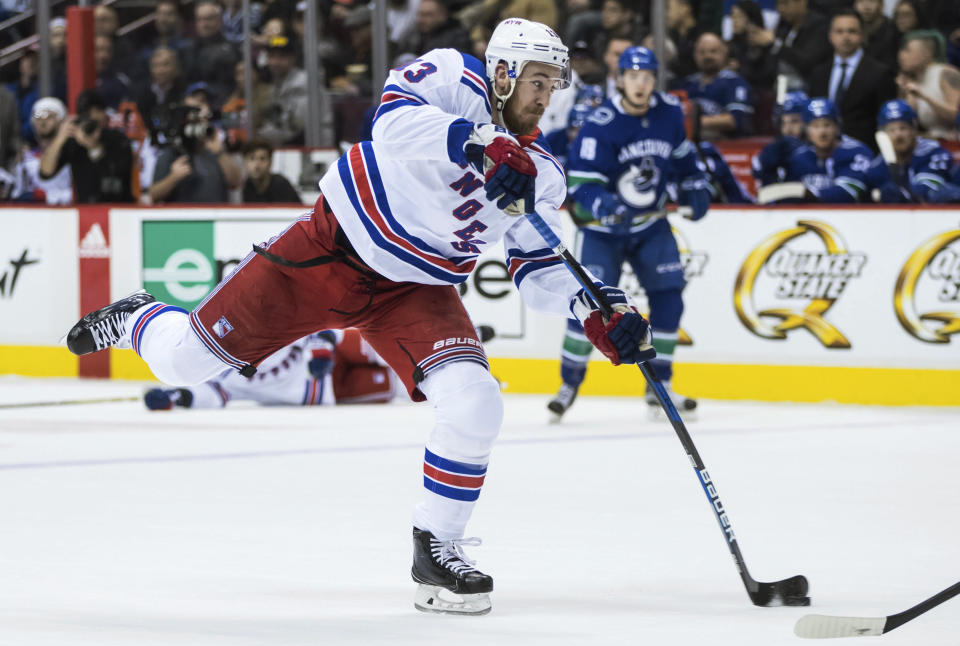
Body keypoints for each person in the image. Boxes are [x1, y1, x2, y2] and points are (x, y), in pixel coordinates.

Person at [64, 18, 652, 616]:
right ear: (502, 73)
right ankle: (138, 316)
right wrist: (477, 143)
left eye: (555, 85)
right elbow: (389, 123)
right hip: (332, 247)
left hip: (414, 288)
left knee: (477, 402)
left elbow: (538, 267)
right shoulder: (453, 76)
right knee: (183, 362)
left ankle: (437, 551)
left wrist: (595, 308)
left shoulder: (541, 172)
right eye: (537, 81)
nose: (546, 97)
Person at [547, 46, 709, 422]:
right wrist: (604, 204)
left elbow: (682, 155)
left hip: (651, 225)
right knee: (589, 306)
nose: (640, 84)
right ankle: (569, 382)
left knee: (669, 300)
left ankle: (660, 385)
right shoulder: (600, 122)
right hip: (603, 232)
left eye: (647, 76)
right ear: (620, 79)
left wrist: (696, 182)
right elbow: (581, 184)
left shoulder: (669, 112)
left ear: (655, 80)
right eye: (633, 76)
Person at [144, 330, 397, 410]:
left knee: (389, 347)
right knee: (397, 384)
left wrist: (321, 347)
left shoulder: (248, 321)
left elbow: (312, 318)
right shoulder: (219, 373)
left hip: (332, 351)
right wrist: (176, 397)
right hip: (322, 389)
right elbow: (212, 395)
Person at [808, 9, 896, 152]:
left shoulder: (880, 73)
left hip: (866, 152)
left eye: (852, 31)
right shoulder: (819, 73)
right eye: (840, 31)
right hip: (823, 152)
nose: (846, 37)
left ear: (862, 35)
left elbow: (886, 121)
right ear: (830, 35)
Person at [148, 86, 243, 203]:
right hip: (183, 219)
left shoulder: (216, 151)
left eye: (202, 119)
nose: (199, 122)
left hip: (214, 218)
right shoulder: (172, 152)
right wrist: (173, 178)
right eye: (195, 117)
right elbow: (153, 195)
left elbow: (236, 182)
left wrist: (220, 153)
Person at [39, 90, 133, 203]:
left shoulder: (118, 139)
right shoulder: (74, 141)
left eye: (97, 111)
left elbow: (117, 174)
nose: (93, 117)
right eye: (89, 113)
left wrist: (93, 147)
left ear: (105, 113)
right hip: (85, 209)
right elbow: (45, 173)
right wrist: (59, 139)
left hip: (119, 208)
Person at [782, 97, 874, 202]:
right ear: (807, 130)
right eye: (815, 126)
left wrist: (811, 194)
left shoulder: (857, 152)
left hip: (853, 216)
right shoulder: (799, 157)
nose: (822, 132)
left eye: (827, 125)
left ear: (837, 127)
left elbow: (851, 190)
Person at [868, 99, 960, 203]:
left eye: (903, 128)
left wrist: (902, 193)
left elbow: (925, 193)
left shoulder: (934, 153)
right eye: (891, 130)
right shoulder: (876, 167)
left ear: (913, 129)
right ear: (882, 135)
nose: (898, 135)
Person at [670, 32, 755, 139]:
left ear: (725, 52)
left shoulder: (735, 82)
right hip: (689, 144)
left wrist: (692, 123)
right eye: (702, 52)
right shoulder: (687, 83)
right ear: (694, 55)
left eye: (713, 51)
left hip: (727, 146)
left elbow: (734, 120)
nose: (707, 56)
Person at [896, 31, 960, 138]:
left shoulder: (946, 73)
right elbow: (907, 121)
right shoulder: (913, 79)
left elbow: (956, 116)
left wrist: (924, 97)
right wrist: (904, 91)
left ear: (927, 53)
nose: (901, 55)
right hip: (931, 141)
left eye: (907, 50)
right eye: (901, 50)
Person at [11, 96, 73, 204]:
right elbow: (17, 194)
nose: (43, 122)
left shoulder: (72, 153)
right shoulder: (25, 156)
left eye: (49, 117)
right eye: (38, 117)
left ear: (61, 121)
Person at [752, 90, 807, 186]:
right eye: (783, 123)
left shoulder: (823, 151)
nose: (788, 129)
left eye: (794, 121)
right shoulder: (775, 150)